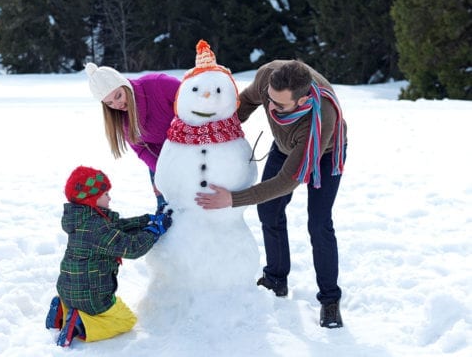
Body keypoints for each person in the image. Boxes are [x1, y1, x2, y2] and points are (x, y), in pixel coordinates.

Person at [195, 60, 347, 328]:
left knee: (319, 224)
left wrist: (233, 198)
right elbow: (248, 101)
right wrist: (222, 132)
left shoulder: (321, 117)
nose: (272, 108)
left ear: (302, 100)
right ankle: (276, 278)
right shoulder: (268, 78)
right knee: (269, 211)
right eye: (271, 101)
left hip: (323, 152)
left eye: (281, 105)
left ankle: (330, 300)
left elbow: (287, 181)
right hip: (285, 144)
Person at [45, 165, 173, 347]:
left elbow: (117, 227)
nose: (110, 198)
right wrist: (155, 230)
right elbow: (132, 248)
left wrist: (146, 220)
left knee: (86, 300)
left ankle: (62, 311)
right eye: (105, 195)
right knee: (125, 320)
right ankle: (81, 324)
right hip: (91, 296)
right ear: (92, 200)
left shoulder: (83, 219)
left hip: (67, 290)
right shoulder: (96, 228)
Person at [85, 63, 181, 211]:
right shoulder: (121, 119)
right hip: (161, 162)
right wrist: (161, 175)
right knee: (168, 210)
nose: (117, 104)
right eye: (109, 103)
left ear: (125, 85)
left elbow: (194, 102)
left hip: (197, 149)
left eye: (118, 95)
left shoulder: (158, 84)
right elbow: (141, 149)